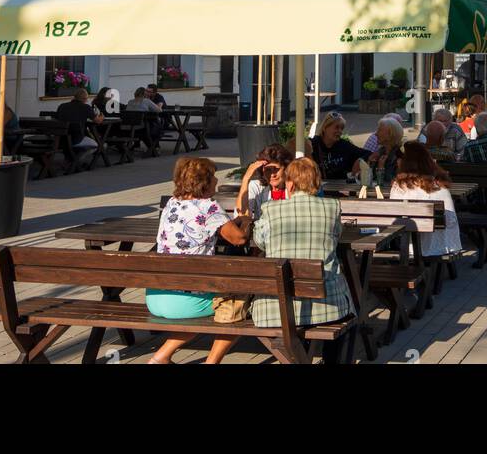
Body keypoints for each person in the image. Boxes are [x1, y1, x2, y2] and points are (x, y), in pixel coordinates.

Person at [147, 155, 252, 364]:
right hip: (186, 303)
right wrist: (246, 220)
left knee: (213, 302)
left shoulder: (171, 204)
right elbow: (239, 239)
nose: (216, 181)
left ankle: (161, 357)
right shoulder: (208, 207)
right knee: (237, 304)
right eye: (212, 177)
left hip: (156, 296)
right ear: (203, 182)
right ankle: (211, 362)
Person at [251, 157, 354, 330]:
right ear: (317, 183)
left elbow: (260, 242)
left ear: (289, 184)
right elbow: (335, 238)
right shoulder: (332, 207)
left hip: (272, 310)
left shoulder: (270, 208)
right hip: (329, 307)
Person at [390, 142, 463, 258]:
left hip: (410, 246)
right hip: (443, 244)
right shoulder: (439, 184)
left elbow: (394, 219)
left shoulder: (399, 187)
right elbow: (451, 220)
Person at [235, 143, 292, 221]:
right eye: (268, 170)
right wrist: (246, 178)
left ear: (285, 168)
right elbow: (240, 215)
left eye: (276, 169)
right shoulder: (256, 186)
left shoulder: (292, 187)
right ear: (262, 171)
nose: (272, 175)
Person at [307, 111, 370, 180]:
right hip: (317, 189)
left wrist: (360, 160)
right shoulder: (313, 143)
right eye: (336, 127)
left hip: (340, 189)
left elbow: (368, 154)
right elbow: (294, 143)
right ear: (325, 128)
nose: (340, 131)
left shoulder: (344, 146)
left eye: (342, 128)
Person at [56, 87, 102, 164]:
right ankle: (75, 162)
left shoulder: (62, 106)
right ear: (85, 98)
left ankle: (69, 160)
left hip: (60, 139)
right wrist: (102, 117)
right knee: (96, 145)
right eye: (86, 99)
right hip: (76, 139)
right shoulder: (86, 107)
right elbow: (97, 121)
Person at [367, 117, 405, 185]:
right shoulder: (379, 153)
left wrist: (380, 169)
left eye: (379, 130)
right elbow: (369, 179)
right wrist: (370, 163)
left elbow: (393, 183)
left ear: (390, 134)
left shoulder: (399, 156)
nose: (376, 134)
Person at [126, 85, 162, 151]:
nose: (148, 94)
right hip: (142, 128)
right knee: (156, 123)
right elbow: (159, 110)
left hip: (128, 128)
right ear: (144, 94)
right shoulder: (146, 101)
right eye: (147, 92)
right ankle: (155, 146)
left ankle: (140, 145)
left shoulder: (130, 102)